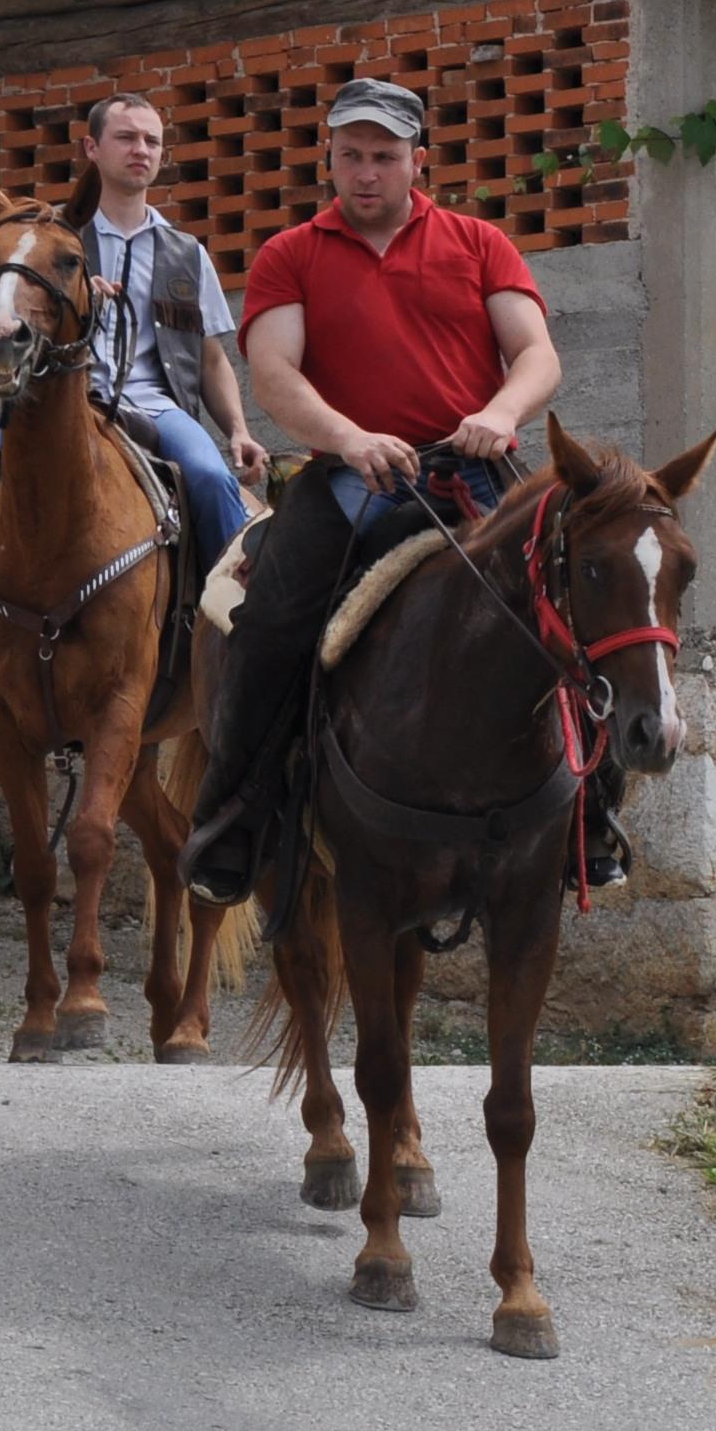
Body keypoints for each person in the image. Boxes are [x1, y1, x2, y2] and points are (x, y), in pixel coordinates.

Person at [177, 78, 572, 908]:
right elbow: (274, 374)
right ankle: (235, 817)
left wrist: (499, 414)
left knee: (572, 599)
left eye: (385, 156)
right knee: (270, 622)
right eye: (350, 155)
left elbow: (537, 354)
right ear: (329, 158)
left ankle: (586, 819)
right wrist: (350, 438)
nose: (366, 172)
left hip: (470, 469)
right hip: (352, 477)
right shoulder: (291, 254)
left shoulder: (479, 242)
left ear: (418, 161)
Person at [0, 92, 268, 742]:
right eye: (126, 138)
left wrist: (238, 430)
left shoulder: (185, 254)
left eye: (152, 140)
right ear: (91, 149)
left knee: (213, 482)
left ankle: (233, 649)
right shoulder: (51, 238)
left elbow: (211, 356)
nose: (141, 150)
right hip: (53, 405)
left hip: (155, 404)